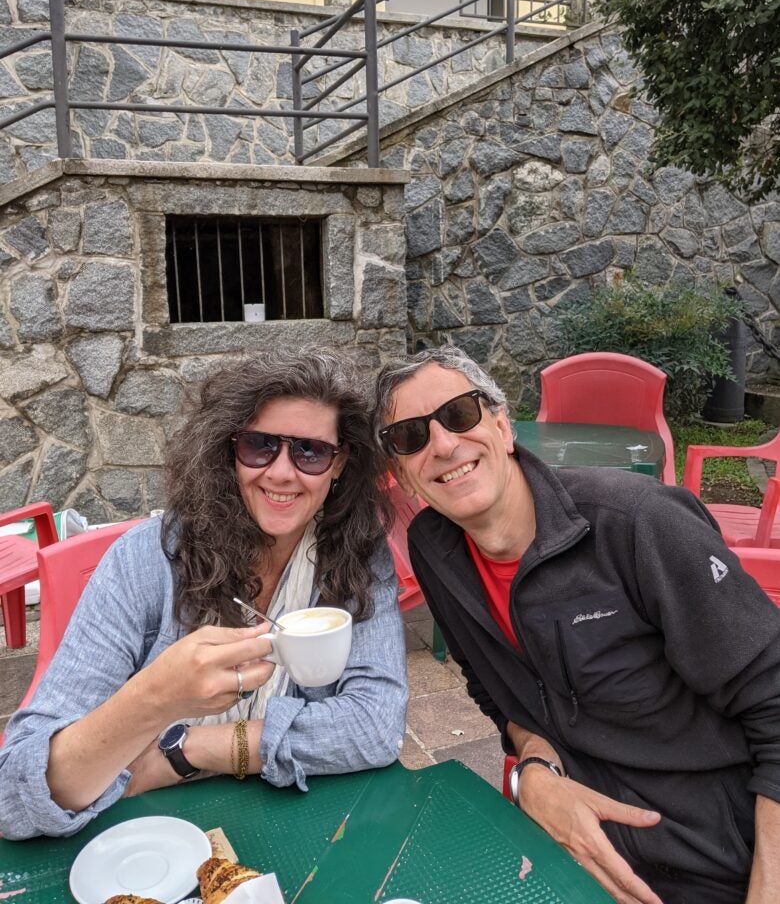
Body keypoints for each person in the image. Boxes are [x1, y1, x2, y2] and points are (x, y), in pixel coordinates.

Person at [373, 345, 780, 904]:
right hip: (571, 856)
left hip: (720, 860)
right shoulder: (436, 552)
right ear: (401, 474)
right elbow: (498, 696)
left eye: (460, 414)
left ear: (502, 423)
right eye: (410, 437)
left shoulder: (638, 525)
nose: (442, 445)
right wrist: (535, 771)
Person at [0, 347, 407, 840]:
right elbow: (15, 797)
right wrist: (156, 698)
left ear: (340, 463)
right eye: (260, 445)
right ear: (227, 450)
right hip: (140, 843)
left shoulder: (356, 554)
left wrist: (185, 750)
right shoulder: (144, 561)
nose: (281, 472)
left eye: (310, 451)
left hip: (296, 829)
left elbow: (376, 725)